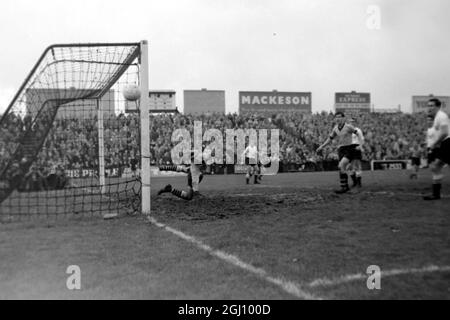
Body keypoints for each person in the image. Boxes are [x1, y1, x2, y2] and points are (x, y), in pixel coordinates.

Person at [316, 112, 359, 194]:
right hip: (341, 149)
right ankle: (355, 181)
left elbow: (358, 133)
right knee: (346, 168)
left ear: (343, 118)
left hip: (349, 148)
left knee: (341, 165)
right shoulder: (335, 128)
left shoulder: (348, 127)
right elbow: (330, 139)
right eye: (336, 117)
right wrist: (321, 146)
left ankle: (344, 187)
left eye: (339, 117)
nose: (338, 119)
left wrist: (359, 144)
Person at [423, 98, 450, 200]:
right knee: (436, 166)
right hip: (446, 143)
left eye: (432, 105)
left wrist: (434, 144)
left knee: (436, 166)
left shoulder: (441, 116)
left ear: (438, 106)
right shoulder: (437, 117)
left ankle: (436, 194)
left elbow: (444, 133)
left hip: (448, 142)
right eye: (428, 105)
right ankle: (436, 194)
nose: (430, 108)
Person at [349, 119, 365, 188]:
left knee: (357, 165)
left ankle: (359, 183)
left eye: (353, 122)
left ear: (355, 123)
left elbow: (362, 139)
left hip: (356, 147)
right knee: (350, 166)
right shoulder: (347, 131)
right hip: (349, 148)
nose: (351, 123)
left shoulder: (358, 130)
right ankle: (355, 182)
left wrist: (360, 146)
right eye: (350, 122)